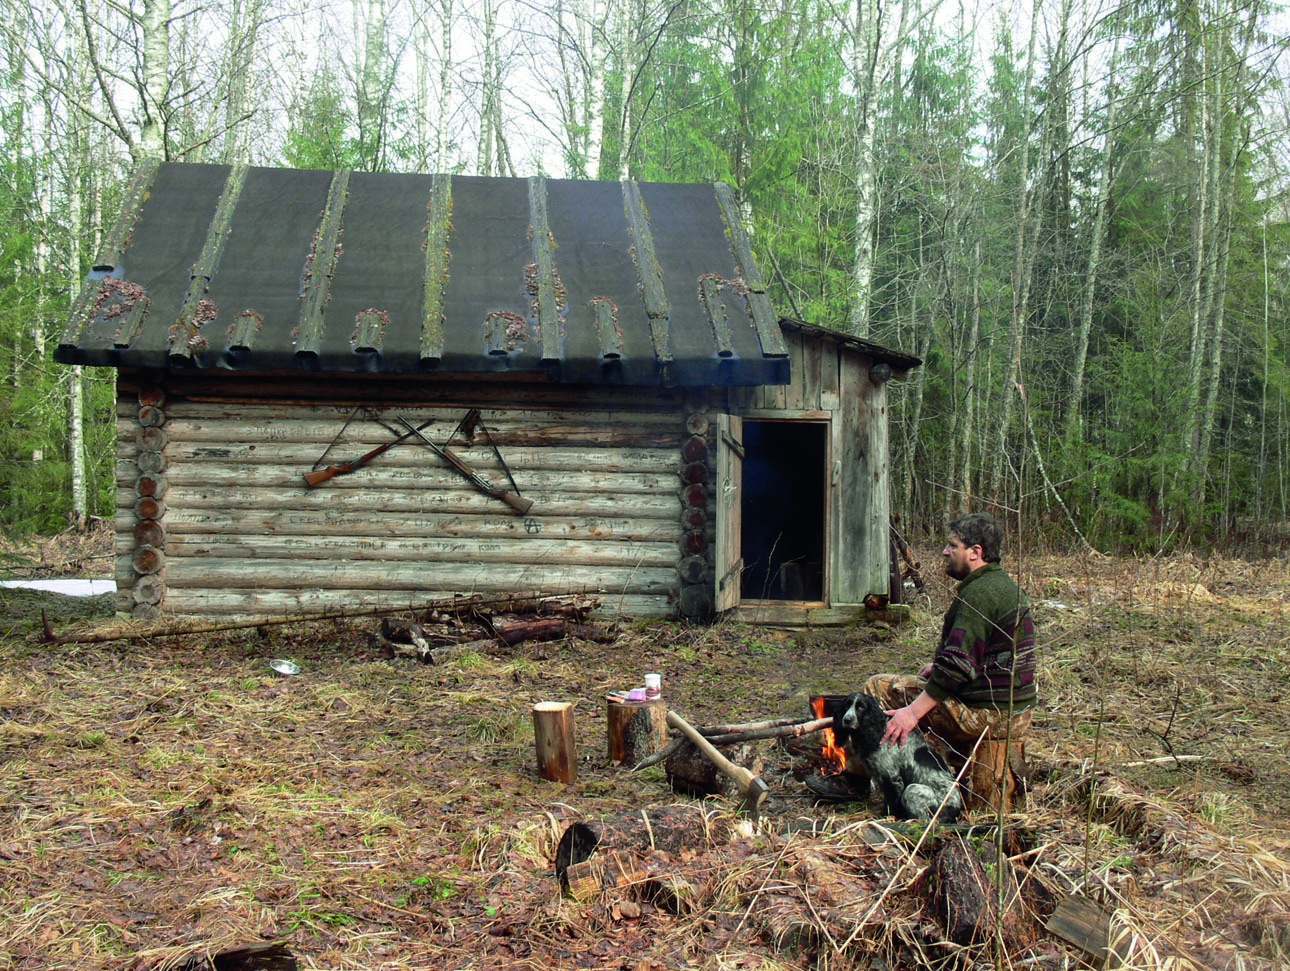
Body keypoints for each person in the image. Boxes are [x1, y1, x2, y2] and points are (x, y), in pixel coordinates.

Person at [864, 511, 1036, 812]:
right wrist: (940, 665)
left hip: (990, 714)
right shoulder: (1002, 585)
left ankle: (854, 780)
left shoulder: (979, 595)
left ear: (975, 552)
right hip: (1013, 707)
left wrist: (911, 714)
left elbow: (956, 669)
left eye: (952, 545)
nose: (945, 552)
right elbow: (984, 654)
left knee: (877, 687)